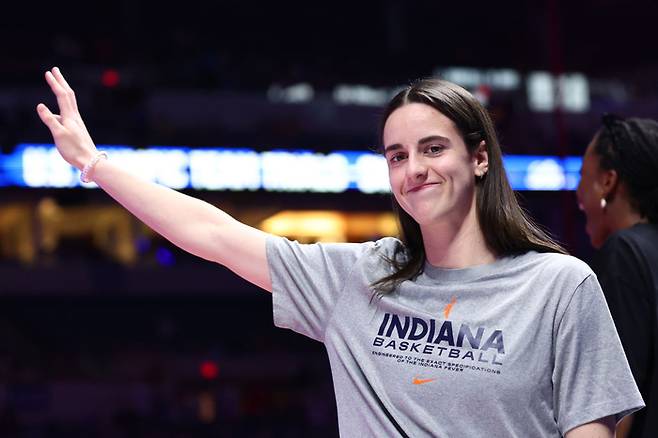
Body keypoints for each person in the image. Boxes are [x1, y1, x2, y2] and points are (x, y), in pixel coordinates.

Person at [37, 67, 643, 437]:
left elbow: (591, 433)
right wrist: (95, 165)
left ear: (479, 157)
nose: (414, 170)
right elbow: (213, 234)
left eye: (433, 148)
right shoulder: (359, 277)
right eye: (397, 156)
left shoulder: (562, 286)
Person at [576, 114, 658, 438]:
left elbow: (615, 404)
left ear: (608, 182)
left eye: (583, 176)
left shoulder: (624, 252)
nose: (578, 193)